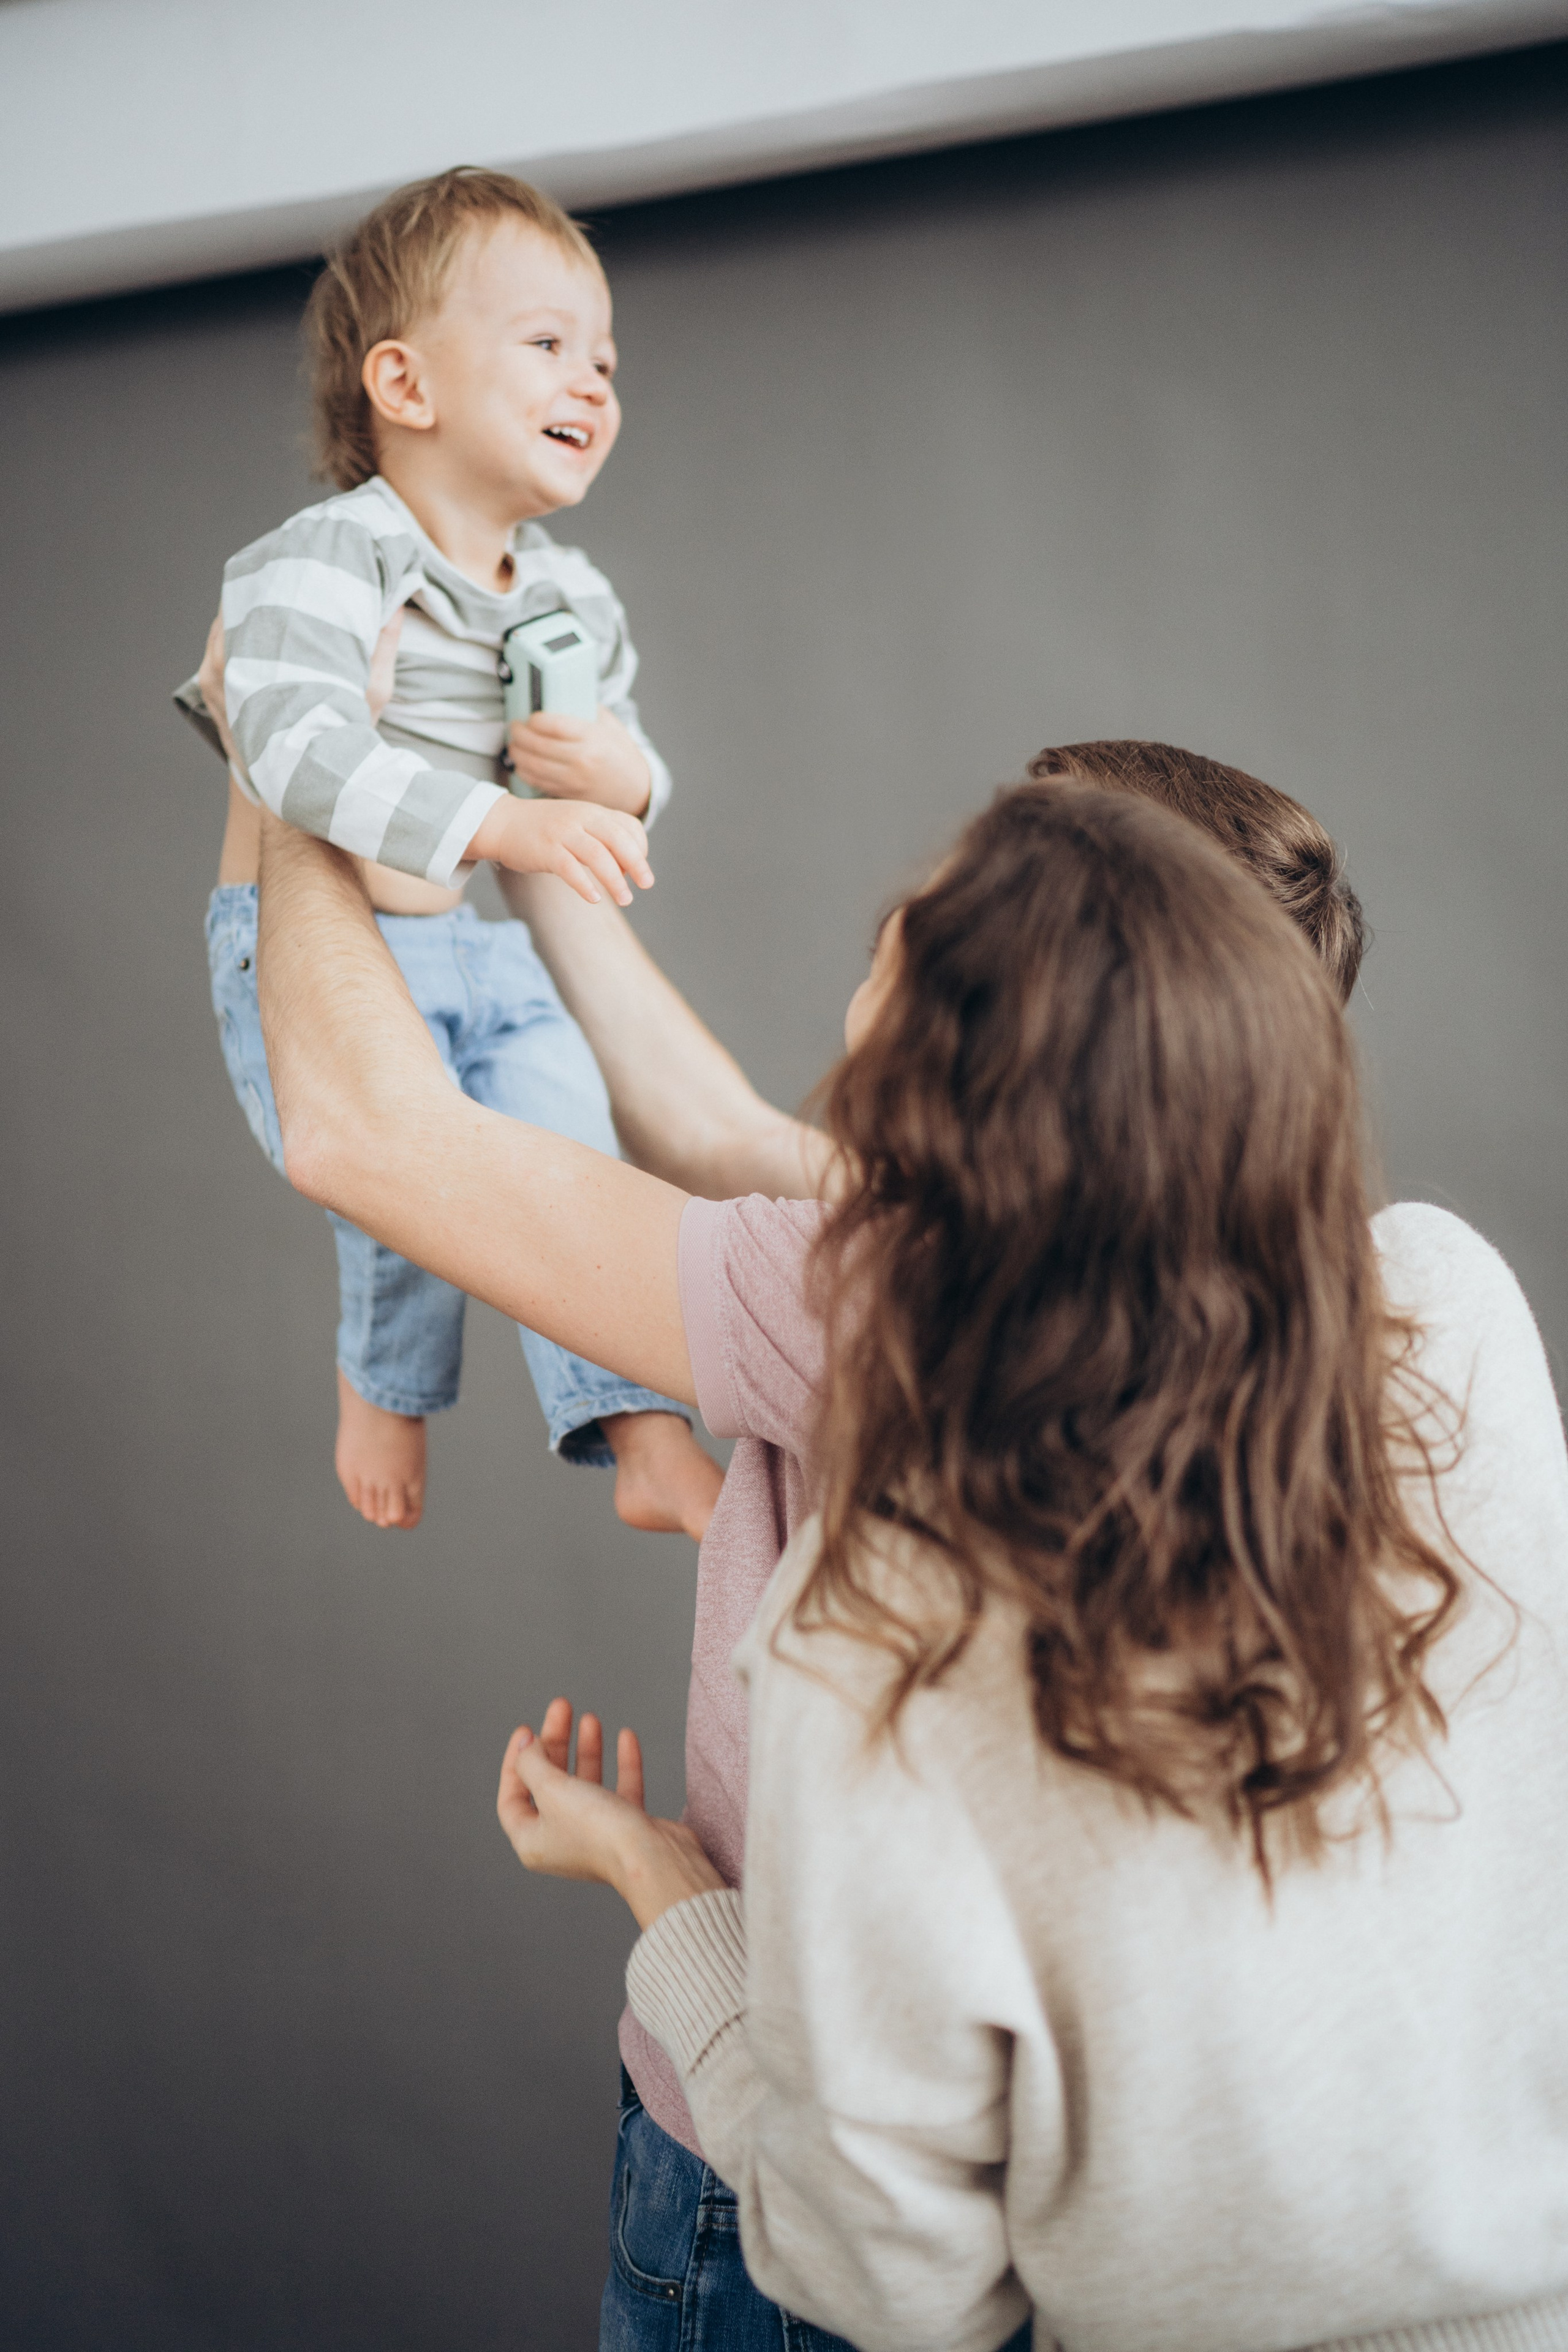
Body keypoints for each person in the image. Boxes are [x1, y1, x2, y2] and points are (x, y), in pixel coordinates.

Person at [244, 723, 1568, 2350]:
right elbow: (725, 1134)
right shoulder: (1445, 1303)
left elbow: (366, 1137)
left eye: (943, 912)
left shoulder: (888, 1417)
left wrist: (296, 759)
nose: (901, 916)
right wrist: (540, 851)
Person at [178, 165, 722, 1540]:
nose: (591, 382)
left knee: (577, 1156)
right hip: (321, 954)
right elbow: (288, 749)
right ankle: (386, 1381)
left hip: (478, 946)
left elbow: (631, 756)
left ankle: (644, 1435)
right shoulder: (316, 561)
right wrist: (507, 824)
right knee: (404, 1198)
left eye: (604, 358)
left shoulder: (569, 596)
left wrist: (620, 776)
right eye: (545, 346)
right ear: (405, 388)